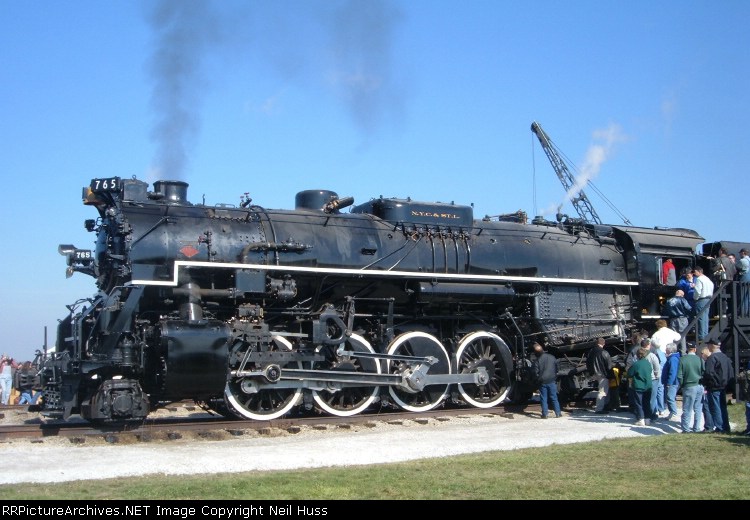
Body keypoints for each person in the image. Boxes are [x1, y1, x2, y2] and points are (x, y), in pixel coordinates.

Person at [702, 340, 734, 433]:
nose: (708, 347)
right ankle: (726, 426)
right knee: (723, 407)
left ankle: (720, 427)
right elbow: (730, 371)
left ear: (712, 345)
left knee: (715, 407)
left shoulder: (712, 357)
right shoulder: (724, 356)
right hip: (723, 386)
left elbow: (708, 373)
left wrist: (705, 383)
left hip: (714, 386)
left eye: (708, 345)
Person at [677, 343, 704, 433]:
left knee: (687, 408)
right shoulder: (700, 359)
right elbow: (703, 372)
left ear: (687, 349)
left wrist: (682, 385)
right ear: (695, 349)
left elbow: (679, 375)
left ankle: (686, 428)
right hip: (699, 385)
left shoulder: (682, 359)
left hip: (688, 386)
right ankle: (696, 428)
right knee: (698, 408)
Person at [532, 342, 562, 419]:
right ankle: (558, 413)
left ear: (536, 353)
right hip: (552, 380)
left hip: (542, 382)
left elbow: (535, 373)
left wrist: (538, 380)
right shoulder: (552, 357)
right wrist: (555, 376)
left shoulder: (537, 361)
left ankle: (545, 414)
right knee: (554, 397)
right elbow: (557, 368)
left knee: (543, 398)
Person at [627, 346, 654, 426]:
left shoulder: (636, 364)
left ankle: (641, 419)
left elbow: (630, 374)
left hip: (639, 386)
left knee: (639, 403)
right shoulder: (648, 363)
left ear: (638, 355)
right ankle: (647, 419)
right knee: (647, 403)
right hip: (648, 386)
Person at [586, 337, 613, 414]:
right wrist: (611, 375)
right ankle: (599, 409)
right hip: (602, 374)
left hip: (594, 373)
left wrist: (591, 372)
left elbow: (587, 363)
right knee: (602, 391)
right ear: (603, 344)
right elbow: (609, 366)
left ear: (597, 343)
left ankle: (605, 405)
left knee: (604, 390)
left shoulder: (591, 351)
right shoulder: (604, 352)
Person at [692, 267, 714, 341]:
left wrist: (695, 298)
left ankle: (701, 335)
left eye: (695, 272)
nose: (694, 273)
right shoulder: (708, 279)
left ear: (699, 272)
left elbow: (698, 291)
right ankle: (705, 334)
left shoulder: (699, 279)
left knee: (700, 318)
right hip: (708, 299)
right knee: (705, 317)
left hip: (701, 299)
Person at [660, 344, 681, 421]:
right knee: (669, 397)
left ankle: (674, 413)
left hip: (672, 382)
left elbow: (673, 371)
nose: (665, 350)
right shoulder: (671, 358)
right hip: (670, 382)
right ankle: (672, 413)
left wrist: (669, 383)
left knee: (670, 397)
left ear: (670, 350)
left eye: (666, 349)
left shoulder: (673, 359)